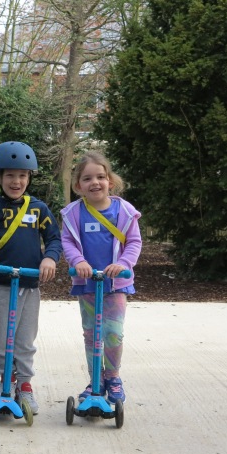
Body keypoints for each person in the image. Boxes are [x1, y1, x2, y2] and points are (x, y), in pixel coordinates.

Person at [0, 141, 62, 415]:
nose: (16, 181)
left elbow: (53, 238)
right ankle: (5, 380)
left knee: (24, 339)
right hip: (0, 284)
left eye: (22, 175)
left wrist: (49, 258)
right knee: (2, 339)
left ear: (29, 177)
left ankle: (26, 385)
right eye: (10, 175)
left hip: (30, 285)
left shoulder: (38, 210)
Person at [60, 151, 142, 404]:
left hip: (116, 285)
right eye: (87, 178)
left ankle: (113, 377)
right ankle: (95, 379)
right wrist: (79, 262)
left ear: (111, 181)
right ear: (78, 186)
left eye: (100, 177)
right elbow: (68, 241)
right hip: (87, 284)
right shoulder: (73, 213)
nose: (95, 182)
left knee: (113, 333)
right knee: (91, 333)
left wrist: (122, 264)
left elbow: (134, 242)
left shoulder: (124, 211)